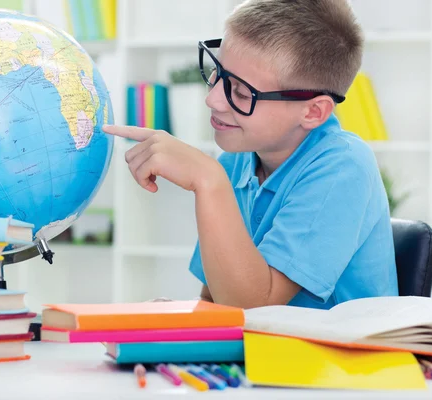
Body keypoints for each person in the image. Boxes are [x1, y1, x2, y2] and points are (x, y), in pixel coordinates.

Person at [102, 0, 398, 310]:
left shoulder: (343, 167)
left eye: (241, 92)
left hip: (344, 357)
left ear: (313, 111)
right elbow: (218, 299)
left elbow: (254, 307)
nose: (213, 99)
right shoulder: (235, 162)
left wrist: (207, 180)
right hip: (267, 353)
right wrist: (178, 315)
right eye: (218, 73)